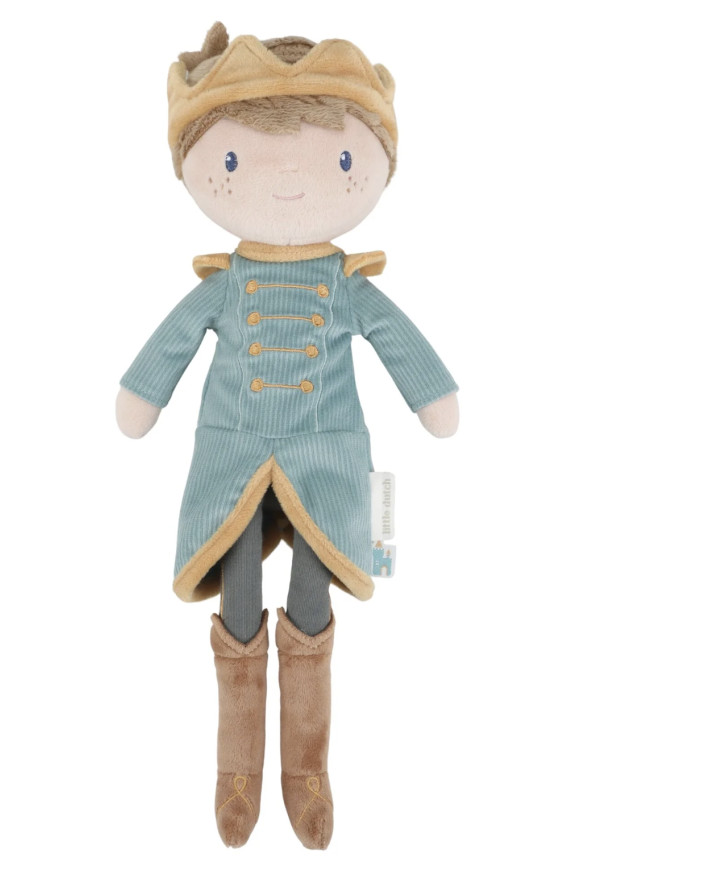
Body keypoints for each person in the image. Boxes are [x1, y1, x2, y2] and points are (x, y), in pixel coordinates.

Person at [116, 22, 459, 850]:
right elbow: (172, 341)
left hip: (327, 453)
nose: (291, 179)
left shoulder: (345, 283)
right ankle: (236, 771)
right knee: (236, 592)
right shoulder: (226, 281)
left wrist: (433, 397)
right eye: (236, 158)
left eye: (338, 157)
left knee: (313, 592)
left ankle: (306, 769)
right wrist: (141, 395)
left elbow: (397, 340)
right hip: (233, 450)